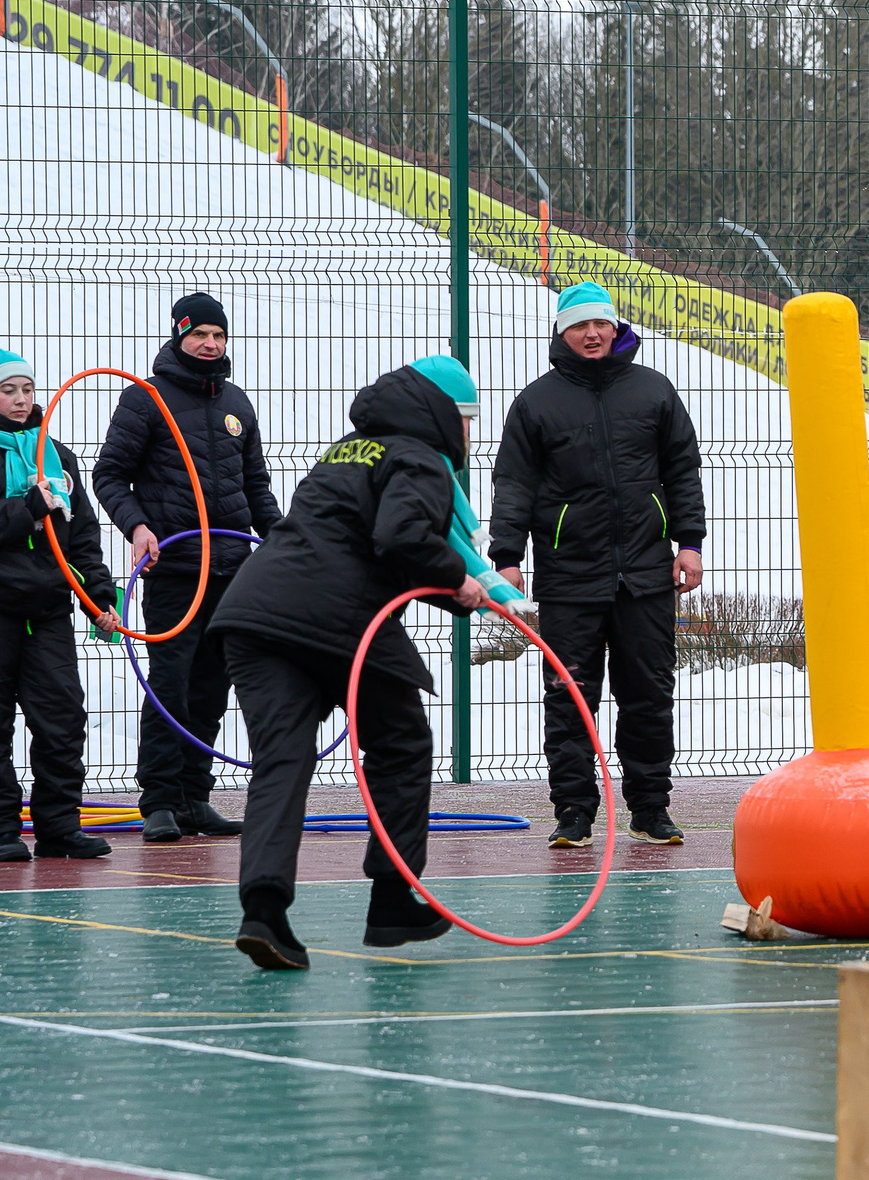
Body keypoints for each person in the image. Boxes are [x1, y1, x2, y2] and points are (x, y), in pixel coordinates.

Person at [212, 357, 491, 971]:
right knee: (402, 743)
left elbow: (353, 538)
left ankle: (264, 912)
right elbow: (400, 538)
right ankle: (391, 901)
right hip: (338, 621)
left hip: (257, 615)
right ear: (439, 412)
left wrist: (449, 590)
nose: (468, 434)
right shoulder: (419, 455)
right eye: (466, 419)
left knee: (280, 759)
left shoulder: (348, 449)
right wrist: (459, 582)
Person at [490, 282, 705, 850]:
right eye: (579, 326)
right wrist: (507, 558)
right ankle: (574, 812)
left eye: (600, 324)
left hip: (646, 575)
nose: (591, 334)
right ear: (562, 333)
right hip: (568, 576)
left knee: (649, 693)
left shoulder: (654, 391)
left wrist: (689, 542)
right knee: (570, 696)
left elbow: (683, 471)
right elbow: (513, 484)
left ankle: (651, 809)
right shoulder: (536, 402)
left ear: (616, 329)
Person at [92, 292, 280, 844]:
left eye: (219, 336)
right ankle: (159, 801)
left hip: (230, 566)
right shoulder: (145, 400)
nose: (210, 344)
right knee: (170, 683)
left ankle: (196, 799)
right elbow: (109, 475)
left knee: (211, 685)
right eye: (200, 334)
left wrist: (285, 540)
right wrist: (138, 526)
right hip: (175, 567)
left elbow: (256, 489)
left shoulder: (237, 404)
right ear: (179, 335)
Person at [0, 349, 125, 862]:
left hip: (47, 609)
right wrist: (27, 506)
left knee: (62, 719)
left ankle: (59, 829)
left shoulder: (55, 455)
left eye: (27, 390)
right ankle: (0, 832)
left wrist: (98, 597)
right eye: (8, 390)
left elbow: (81, 540)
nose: (20, 399)